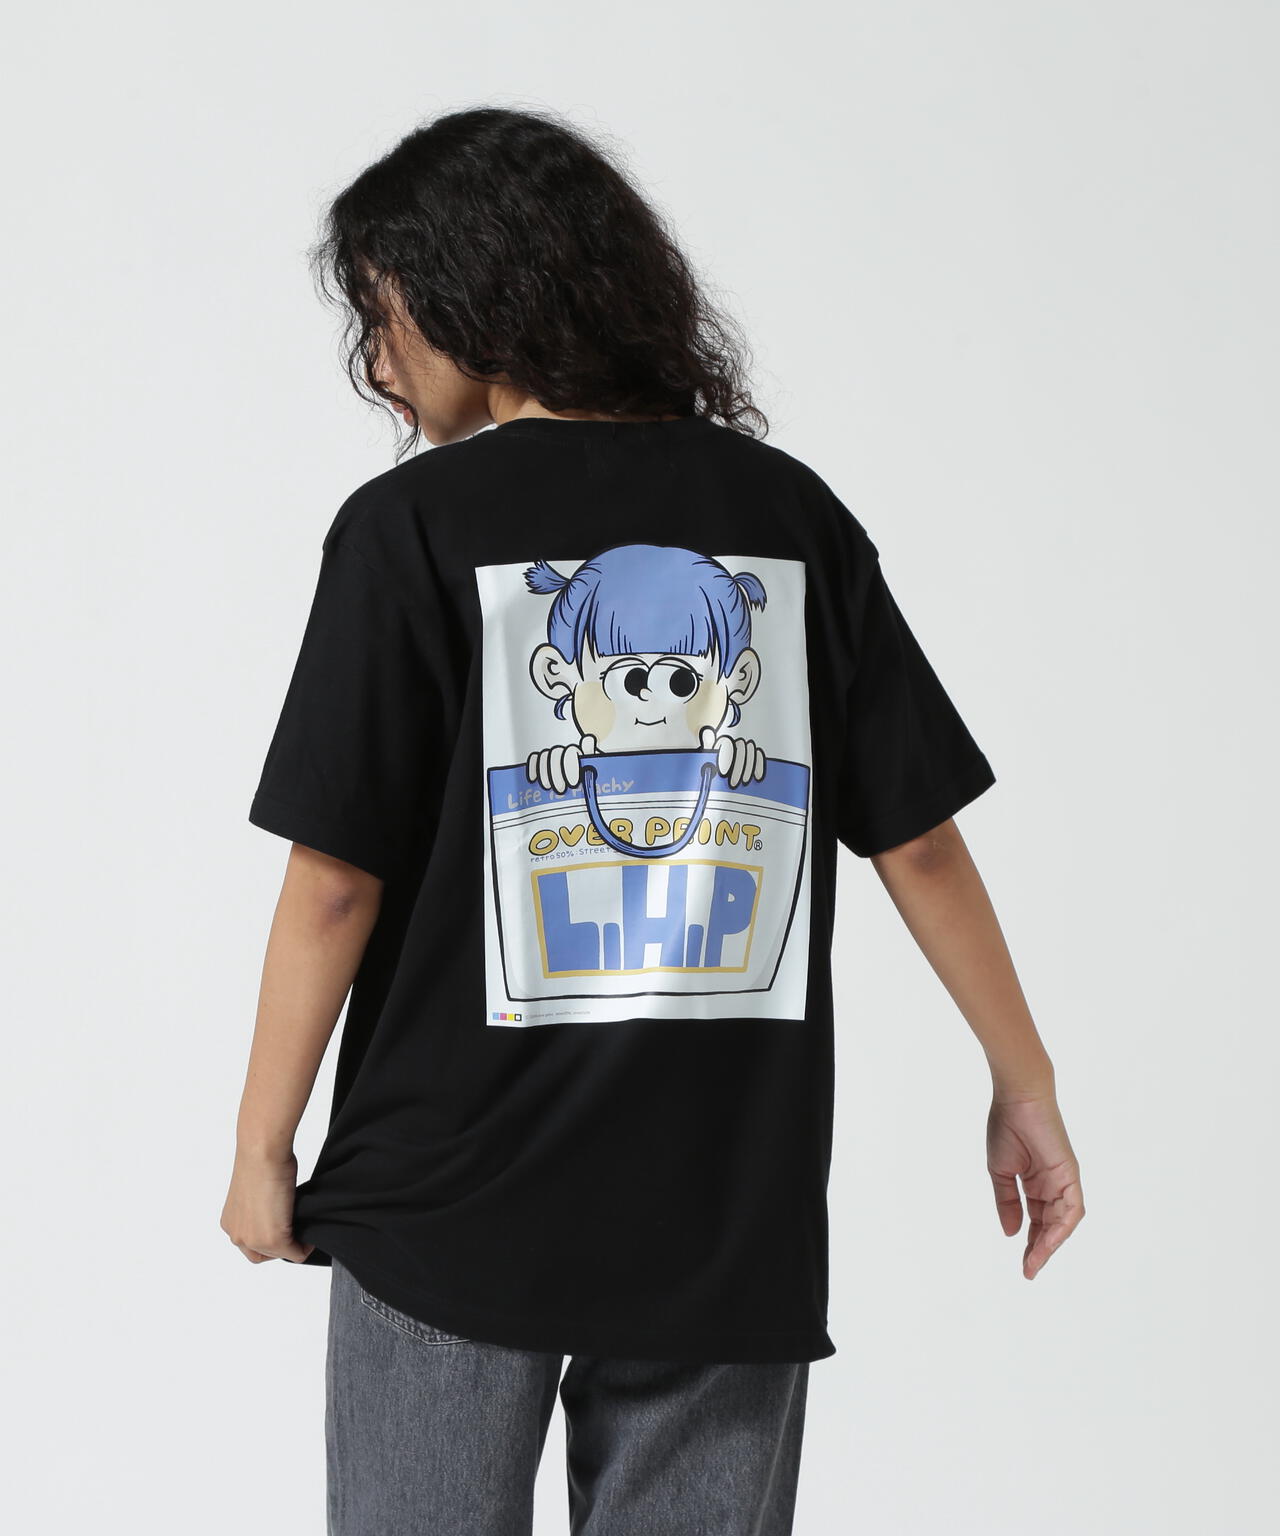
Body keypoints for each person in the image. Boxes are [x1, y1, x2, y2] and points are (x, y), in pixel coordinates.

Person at [221, 105, 1085, 1536]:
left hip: (447, 1201)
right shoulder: (791, 520)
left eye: (383, 314)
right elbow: (920, 840)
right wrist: (1025, 1080)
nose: (377, 362)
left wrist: (265, 1148)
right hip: (719, 1213)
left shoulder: (411, 528)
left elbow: (335, 880)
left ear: (470, 288)